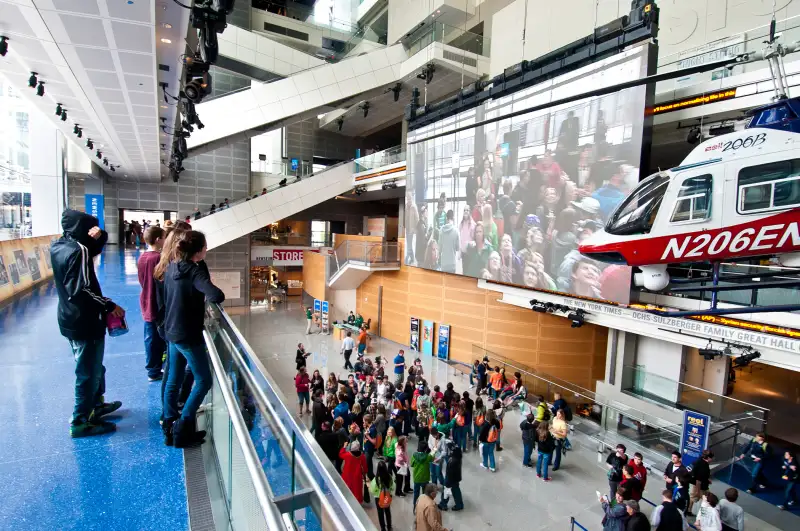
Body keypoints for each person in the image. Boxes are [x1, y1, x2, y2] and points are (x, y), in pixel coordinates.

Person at [51, 210, 125, 437]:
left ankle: (95, 406)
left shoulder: (58, 246)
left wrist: (100, 237)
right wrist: (108, 305)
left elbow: (90, 252)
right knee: (88, 372)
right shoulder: (79, 250)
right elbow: (82, 290)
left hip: (68, 316)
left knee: (93, 367)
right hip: (85, 320)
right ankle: (81, 420)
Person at [162, 231, 225, 447]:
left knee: (173, 378)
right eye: (205, 247)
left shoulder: (172, 267)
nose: (207, 250)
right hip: (188, 334)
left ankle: (169, 423)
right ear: (198, 251)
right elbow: (216, 295)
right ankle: (183, 425)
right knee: (203, 380)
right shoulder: (194, 272)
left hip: (171, 330)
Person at [137, 225, 166, 381]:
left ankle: (153, 368)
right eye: (164, 237)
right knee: (156, 338)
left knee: (150, 336)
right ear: (157, 239)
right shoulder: (157, 258)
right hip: (156, 302)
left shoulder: (142, 257)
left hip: (146, 301)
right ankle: (154, 370)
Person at [370, 459, 395, 531]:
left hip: (378, 498)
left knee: (380, 513)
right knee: (387, 511)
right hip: (387, 496)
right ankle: (389, 527)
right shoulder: (389, 477)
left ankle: (383, 528)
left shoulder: (376, 479)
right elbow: (393, 487)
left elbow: (372, 490)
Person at [340, 440, 368, 505]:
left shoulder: (348, 455)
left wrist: (344, 447)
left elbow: (341, 454)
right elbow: (365, 467)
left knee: (348, 488)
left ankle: (347, 500)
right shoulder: (362, 455)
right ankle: (357, 502)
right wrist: (365, 473)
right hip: (357, 475)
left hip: (347, 475)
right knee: (357, 489)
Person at [688, 450, 714, 515]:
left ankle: (689, 510)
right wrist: (698, 491)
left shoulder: (699, 461)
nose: (712, 459)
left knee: (693, 498)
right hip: (699, 486)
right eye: (711, 458)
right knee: (704, 499)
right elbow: (698, 480)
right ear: (708, 458)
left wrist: (707, 480)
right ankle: (703, 514)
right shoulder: (703, 466)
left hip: (700, 484)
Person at [411, 441, 435, 511]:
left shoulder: (414, 455)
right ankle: (424, 506)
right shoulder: (428, 456)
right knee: (425, 494)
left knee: (416, 493)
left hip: (416, 478)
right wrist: (433, 451)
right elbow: (432, 458)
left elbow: (412, 464)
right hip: (425, 478)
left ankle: (415, 507)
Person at [439, 445, 463, 511]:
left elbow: (450, 473)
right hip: (456, 479)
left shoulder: (452, 461)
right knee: (456, 492)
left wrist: (447, 483)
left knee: (445, 492)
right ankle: (459, 505)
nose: (450, 452)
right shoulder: (458, 458)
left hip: (450, 480)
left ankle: (443, 505)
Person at [438, 209, 460, 274]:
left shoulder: (441, 230)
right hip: (452, 263)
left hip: (444, 263)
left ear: (446, 218)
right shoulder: (456, 231)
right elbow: (457, 248)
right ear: (453, 218)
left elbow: (440, 248)